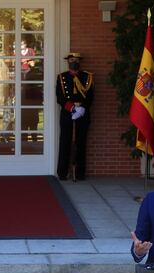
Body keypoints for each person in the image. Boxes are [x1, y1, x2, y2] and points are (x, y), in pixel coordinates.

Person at [56, 52, 94, 181]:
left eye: (76, 60)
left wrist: (81, 108)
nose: (74, 62)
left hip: (83, 114)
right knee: (65, 143)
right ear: (68, 62)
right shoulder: (62, 77)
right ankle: (63, 172)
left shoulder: (87, 77)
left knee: (80, 143)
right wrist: (72, 108)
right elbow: (60, 98)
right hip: (67, 115)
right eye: (72, 60)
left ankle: (79, 173)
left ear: (79, 62)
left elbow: (90, 96)